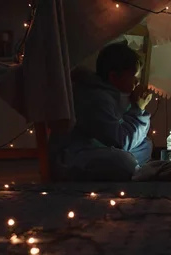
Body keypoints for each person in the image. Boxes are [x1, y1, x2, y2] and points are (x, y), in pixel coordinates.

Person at [49, 42, 154, 181]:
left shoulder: (113, 95)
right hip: (74, 155)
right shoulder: (94, 97)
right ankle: (129, 170)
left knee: (145, 144)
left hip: (99, 148)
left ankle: (130, 170)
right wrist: (138, 109)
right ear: (114, 77)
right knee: (124, 162)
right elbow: (121, 141)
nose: (136, 82)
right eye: (133, 75)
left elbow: (120, 137)